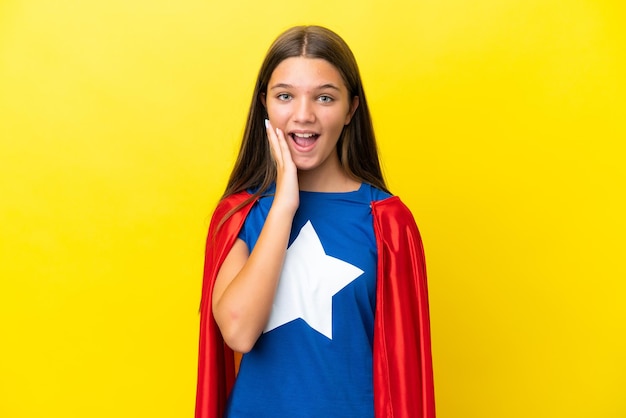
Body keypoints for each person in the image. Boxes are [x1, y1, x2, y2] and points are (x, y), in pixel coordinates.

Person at [195, 25, 435, 418]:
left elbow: (406, 375)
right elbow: (238, 331)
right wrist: (284, 204)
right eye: (285, 96)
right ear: (265, 106)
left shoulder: (387, 222)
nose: (303, 115)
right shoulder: (241, 215)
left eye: (324, 98)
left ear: (350, 109)